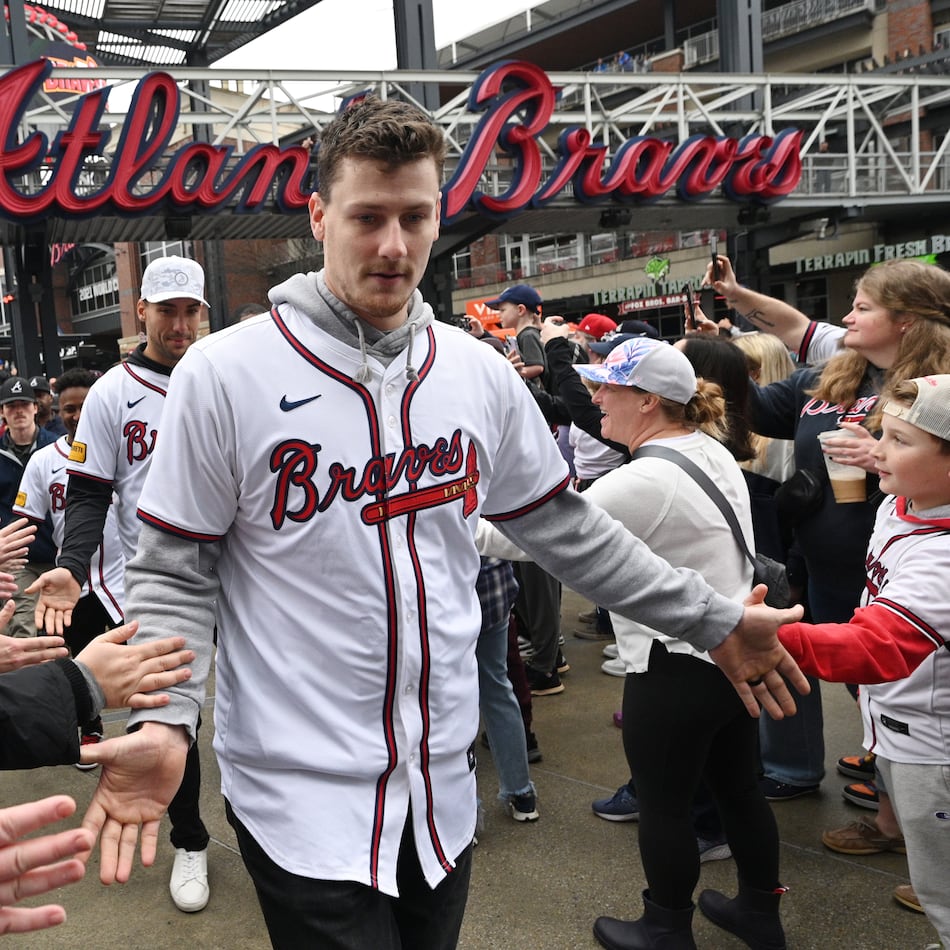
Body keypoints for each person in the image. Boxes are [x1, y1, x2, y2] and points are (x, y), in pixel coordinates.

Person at [46, 97, 806, 950]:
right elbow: (176, 570)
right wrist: (167, 717)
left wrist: (708, 620)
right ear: (318, 213)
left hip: (443, 787)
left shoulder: (476, 370)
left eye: (416, 217)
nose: (394, 246)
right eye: (368, 217)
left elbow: (564, 529)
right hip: (300, 796)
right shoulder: (226, 372)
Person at [568, 337, 788, 950]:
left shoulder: (645, 479)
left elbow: (541, 536)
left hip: (674, 664)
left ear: (646, 401)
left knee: (663, 804)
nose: (595, 398)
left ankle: (665, 927)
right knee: (739, 788)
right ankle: (759, 913)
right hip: (731, 652)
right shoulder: (709, 449)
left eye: (605, 387)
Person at [707, 256, 950, 801]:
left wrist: (881, 453)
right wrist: (714, 347)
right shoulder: (836, 370)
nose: (848, 316)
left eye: (863, 307)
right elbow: (761, 397)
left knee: (906, 684)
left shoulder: (935, 389)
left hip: (912, 570)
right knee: (866, 685)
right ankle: (890, 784)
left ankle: (907, 806)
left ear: (907, 318)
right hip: (826, 559)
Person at [26, 255, 214, 914]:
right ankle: (191, 840)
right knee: (163, 720)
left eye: (192, 309)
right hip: (156, 583)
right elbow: (88, 494)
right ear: (143, 312)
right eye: (168, 310)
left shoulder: (224, 377)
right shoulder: (113, 390)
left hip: (240, 580)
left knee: (255, 716)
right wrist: (71, 569)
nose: (181, 323)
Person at [777, 374, 950, 948]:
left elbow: (878, 646)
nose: (878, 450)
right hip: (901, 729)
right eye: (885, 435)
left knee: (943, 890)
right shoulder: (903, 500)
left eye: (900, 442)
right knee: (933, 883)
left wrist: (765, 638)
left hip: (935, 748)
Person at [13, 368, 125, 768]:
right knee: (78, 657)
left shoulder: (124, 449)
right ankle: (90, 725)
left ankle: (146, 731)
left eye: (85, 405)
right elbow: (25, 521)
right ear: (56, 411)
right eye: (69, 408)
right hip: (74, 581)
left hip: (126, 575)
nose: (78, 414)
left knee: (138, 658)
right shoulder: (45, 460)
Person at [0, 377, 58, 638]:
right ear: (2, 413)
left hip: (58, 553)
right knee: (23, 623)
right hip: (17, 559)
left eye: (24, 404)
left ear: (36, 408)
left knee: (62, 626)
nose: (18, 411)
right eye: (11, 406)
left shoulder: (57, 447)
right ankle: (26, 678)